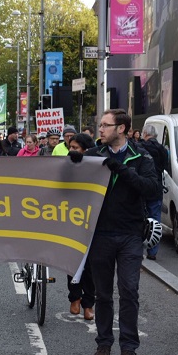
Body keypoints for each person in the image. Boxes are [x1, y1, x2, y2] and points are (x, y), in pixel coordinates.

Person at [83, 109, 160, 355]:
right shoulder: (93, 155)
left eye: (105, 125)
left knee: (129, 291)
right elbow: (73, 186)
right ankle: (103, 343)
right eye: (100, 125)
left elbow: (151, 189)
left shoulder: (142, 157)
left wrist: (123, 170)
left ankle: (129, 349)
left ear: (122, 129)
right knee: (102, 294)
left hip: (129, 234)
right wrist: (71, 164)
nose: (100, 130)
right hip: (100, 234)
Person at [66, 132, 96, 320]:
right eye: (70, 147)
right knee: (73, 260)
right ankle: (74, 298)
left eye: (75, 148)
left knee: (91, 265)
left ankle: (89, 303)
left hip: (92, 218)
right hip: (71, 217)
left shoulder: (96, 166)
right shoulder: (65, 165)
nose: (71, 151)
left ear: (85, 150)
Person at [140, 124, 168, 260]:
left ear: (145, 133)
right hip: (157, 187)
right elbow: (164, 166)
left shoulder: (141, 147)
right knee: (155, 219)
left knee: (140, 217)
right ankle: (153, 251)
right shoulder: (162, 149)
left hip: (143, 186)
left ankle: (138, 248)